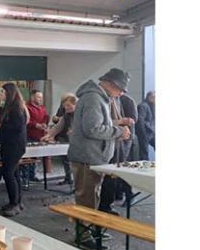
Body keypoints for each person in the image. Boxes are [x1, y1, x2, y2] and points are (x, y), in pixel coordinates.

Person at [68, 68, 132, 211]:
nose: (121, 93)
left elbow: (97, 125)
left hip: (92, 157)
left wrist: (116, 129)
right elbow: (92, 129)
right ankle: (85, 232)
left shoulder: (98, 97)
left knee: (91, 197)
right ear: (109, 83)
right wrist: (119, 131)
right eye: (120, 89)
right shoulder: (94, 98)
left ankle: (90, 231)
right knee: (87, 200)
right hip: (87, 158)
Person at [0, 83, 29, 216]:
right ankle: (17, 201)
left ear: (9, 93)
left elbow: (17, 127)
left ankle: (14, 204)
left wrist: (1, 126)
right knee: (14, 174)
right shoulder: (8, 107)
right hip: (9, 144)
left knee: (8, 174)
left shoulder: (16, 108)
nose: (1, 95)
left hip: (14, 145)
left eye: (3, 92)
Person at [42, 94, 78, 186]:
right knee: (67, 161)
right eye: (64, 106)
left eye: (68, 105)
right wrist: (48, 135)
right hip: (68, 141)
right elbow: (58, 127)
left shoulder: (83, 113)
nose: (66, 108)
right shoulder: (66, 115)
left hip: (82, 145)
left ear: (76, 104)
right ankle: (70, 180)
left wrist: (76, 131)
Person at [25, 89, 49, 182]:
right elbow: (26, 121)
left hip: (39, 135)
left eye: (41, 97)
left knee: (35, 157)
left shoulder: (42, 107)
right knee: (28, 157)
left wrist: (44, 124)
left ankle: (32, 175)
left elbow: (45, 118)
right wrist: (35, 125)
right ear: (32, 97)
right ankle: (25, 177)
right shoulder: (27, 107)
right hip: (29, 135)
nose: (40, 99)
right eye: (38, 97)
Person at [136, 91, 155, 160]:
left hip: (151, 132)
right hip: (144, 133)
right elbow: (140, 121)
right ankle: (144, 167)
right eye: (154, 97)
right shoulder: (143, 106)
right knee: (144, 153)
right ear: (150, 97)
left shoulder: (152, 106)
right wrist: (142, 133)